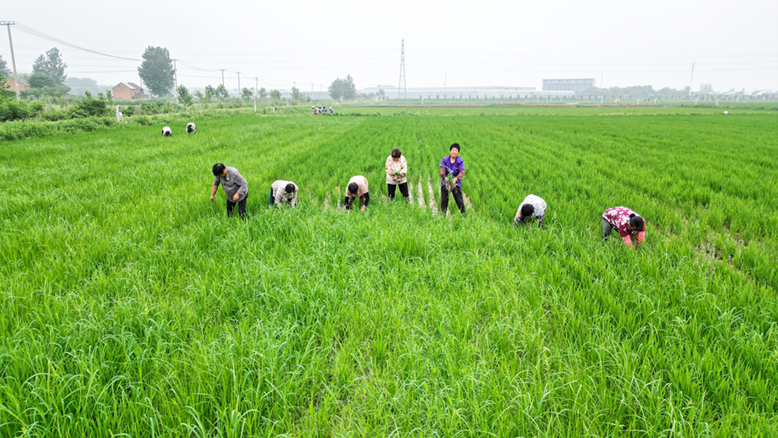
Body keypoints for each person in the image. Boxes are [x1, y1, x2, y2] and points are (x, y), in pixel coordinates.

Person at [439, 143, 466, 214]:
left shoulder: (460, 161)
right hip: (445, 183)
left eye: (456, 151)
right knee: (444, 202)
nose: (454, 152)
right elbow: (442, 171)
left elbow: (461, 172)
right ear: (450, 151)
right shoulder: (445, 159)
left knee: (460, 202)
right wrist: (445, 177)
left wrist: (455, 179)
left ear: (458, 152)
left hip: (456, 184)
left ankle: (464, 216)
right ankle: (443, 217)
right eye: (453, 150)